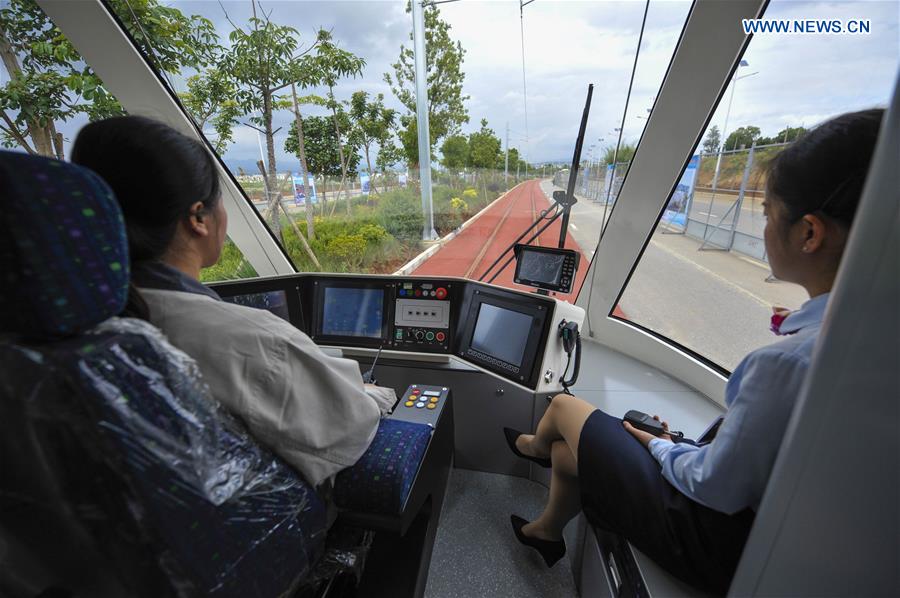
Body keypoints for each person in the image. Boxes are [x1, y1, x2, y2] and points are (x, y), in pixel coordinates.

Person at [502, 108, 884, 593]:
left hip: (715, 536)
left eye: (768, 215)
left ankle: (530, 447)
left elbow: (712, 485)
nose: (765, 228)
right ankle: (546, 531)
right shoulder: (863, 342)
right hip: (778, 535)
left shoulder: (791, 363)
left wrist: (660, 446)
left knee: (562, 406)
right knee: (567, 451)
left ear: (809, 233)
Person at [71, 116, 396, 488]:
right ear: (199, 217)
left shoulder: (60, 330)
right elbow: (351, 428)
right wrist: (373, 395)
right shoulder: (254, 341)